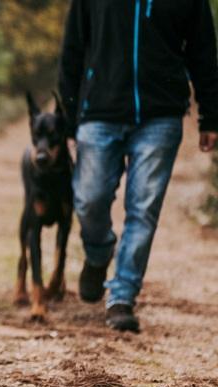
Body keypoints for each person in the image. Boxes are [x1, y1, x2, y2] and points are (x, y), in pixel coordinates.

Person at [59, 0, 218, 332]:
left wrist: (210, 116)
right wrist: (67, 118)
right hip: (99, 111)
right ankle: (99, 251)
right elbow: (73, 47)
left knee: (143, 210)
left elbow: (203, 50)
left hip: (161, 116)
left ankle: (122, 296)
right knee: (89, 200)